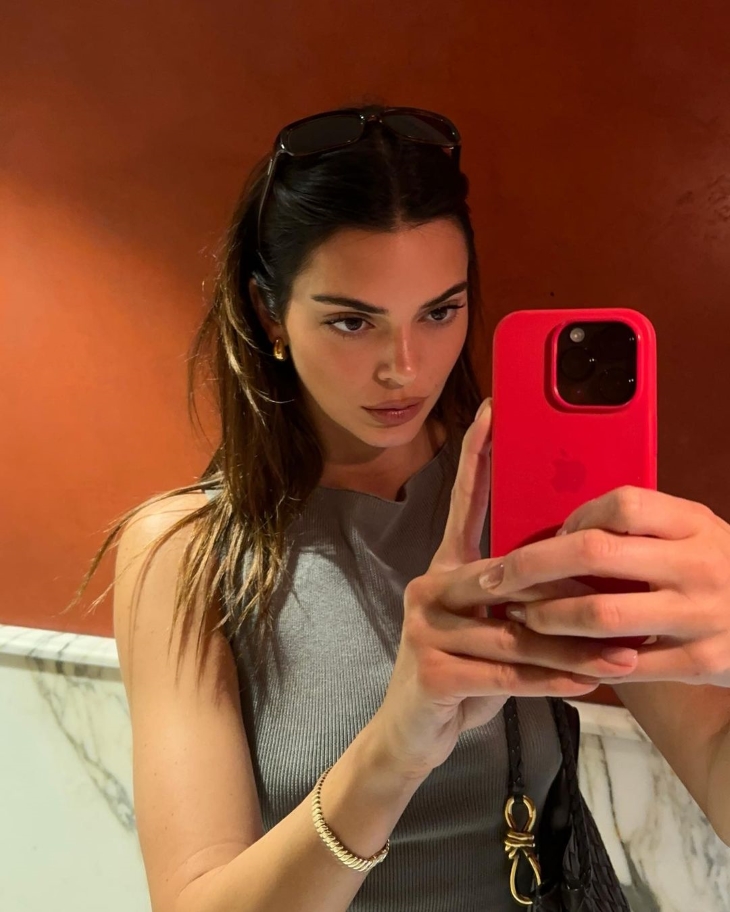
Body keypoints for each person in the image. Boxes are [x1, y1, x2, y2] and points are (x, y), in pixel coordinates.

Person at [68, 104, 730, 912]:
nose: (404, 368)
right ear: (271, 314)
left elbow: (711, 756)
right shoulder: (187, 552)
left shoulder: (527, 496)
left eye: (440, 311)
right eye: (353, 321)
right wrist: (396, 746)